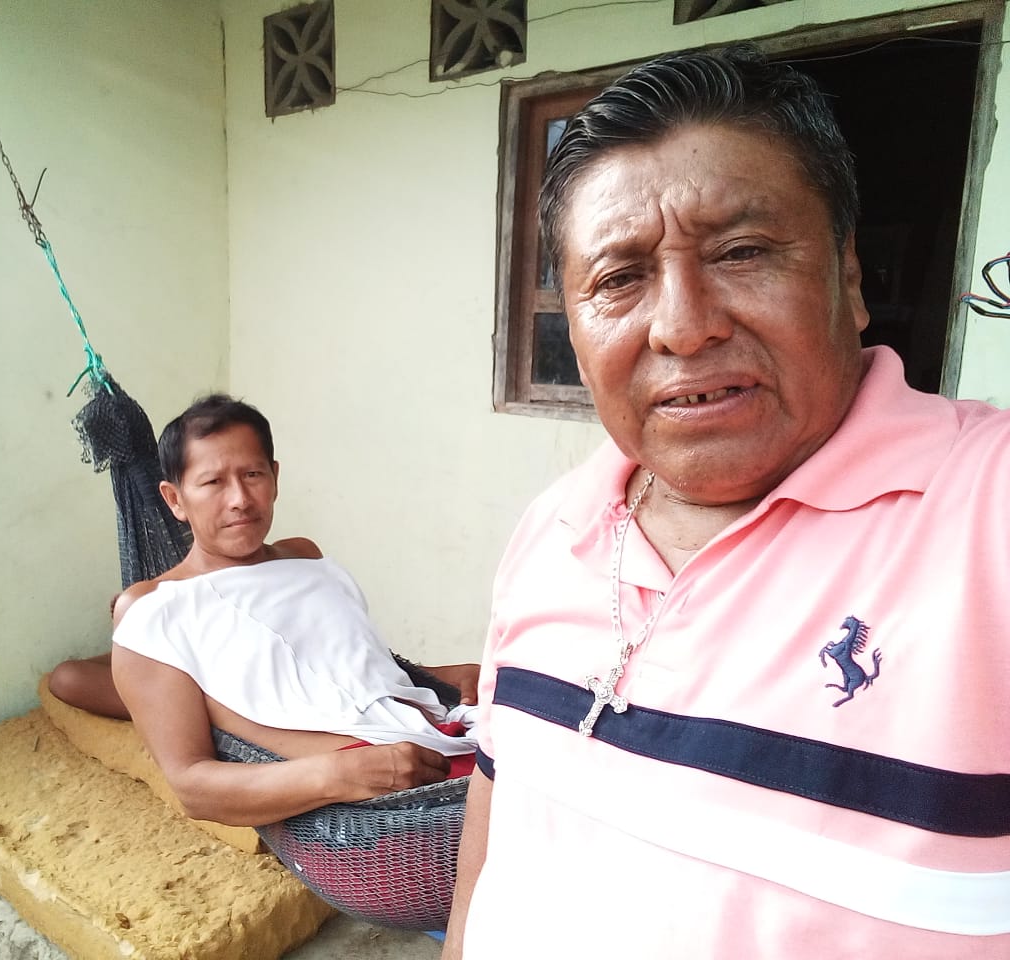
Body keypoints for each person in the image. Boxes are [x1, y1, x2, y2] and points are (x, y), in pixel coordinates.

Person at [443, 44, 1010, 959]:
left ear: (850, 277)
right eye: (619, 278)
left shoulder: (984, 512)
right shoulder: (553, 529)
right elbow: (497, 824)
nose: (683, 325)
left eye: (742, 252)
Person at [63, 393, 479, 827]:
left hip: (452, 735)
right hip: (386, 803)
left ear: (275, 478)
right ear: (174, 500)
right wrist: (339, 773)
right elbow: (193, 787)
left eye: (252, 474)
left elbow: (333, 668)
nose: (240, 499)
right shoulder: (156, 610)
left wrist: (442, 676)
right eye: (213, 482)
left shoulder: (306, 558)